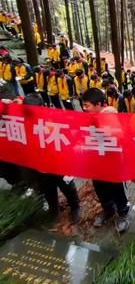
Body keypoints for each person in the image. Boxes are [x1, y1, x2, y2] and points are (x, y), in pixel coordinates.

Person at [24, 93, 80, 223]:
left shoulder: (55, 120)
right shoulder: (25, 120)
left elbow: (68, 141)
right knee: (48, 189)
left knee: (67, 187)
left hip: (58, 164)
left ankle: (75, 207)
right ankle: (53, 208)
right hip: (41, 165)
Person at [81, 88, 130, 233]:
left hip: (113, 163)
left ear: (98, 104)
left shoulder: (110, 116)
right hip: (97, 162)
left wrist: (102, 129)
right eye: (83, 105)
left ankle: (123, 214)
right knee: (100, 189)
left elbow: (119, 137)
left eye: (87, 105)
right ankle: (108, 210)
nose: (84, 109)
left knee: (117, 189)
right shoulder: (91, 117)